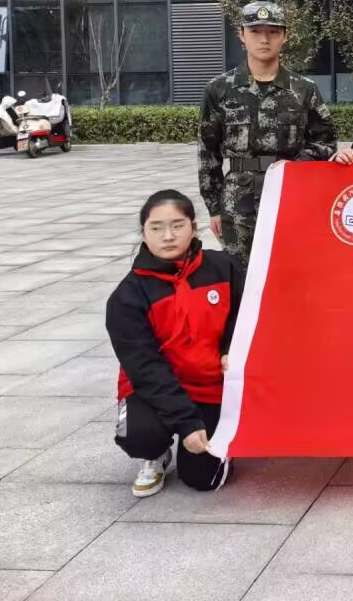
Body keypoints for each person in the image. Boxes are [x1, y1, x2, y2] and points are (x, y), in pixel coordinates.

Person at [106, 189, 244, 497]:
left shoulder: (224, 267)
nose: (168, 236)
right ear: (144, 233)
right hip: (154, 388)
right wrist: (187, 422)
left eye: (177, 225)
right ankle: (155, 455)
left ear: (193, 228)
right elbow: (145, 368)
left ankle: (216, 436)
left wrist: (228, 350)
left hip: (211, 384)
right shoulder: (127, 296)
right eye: (156, 228)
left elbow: (244, 315)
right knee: (139, 436)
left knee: (203, 480)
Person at [198, 1, 337, 264]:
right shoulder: (219, 89)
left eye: (273, 32)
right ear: (241, 35)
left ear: (285, 36)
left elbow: (326, 141)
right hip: (237, 201)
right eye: (255, 31)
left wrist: (295, 165)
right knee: (239, 274)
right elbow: (208, 152)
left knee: (291, 269)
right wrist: (214, 207)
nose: (264, 39)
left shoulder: (303, 89)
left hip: (291, 194)